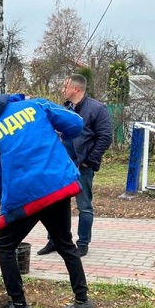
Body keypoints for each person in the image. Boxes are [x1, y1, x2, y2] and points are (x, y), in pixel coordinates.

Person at [0, 86, 96, 308]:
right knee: (65, 242)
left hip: (27, 197)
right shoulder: (35, 105)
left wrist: (6, 214)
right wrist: (58, 134)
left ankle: (18, 306)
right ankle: (83, 301)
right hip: (58, 185)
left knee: (4, 244)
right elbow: (76, 124)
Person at [37, 74, 113, 258]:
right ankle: (55, 240)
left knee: (84, 206)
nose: (63, 89)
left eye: (66, 86)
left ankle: (83, 243)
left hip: (82, 167)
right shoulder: (64, 109)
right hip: (61, 167)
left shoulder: (97, 109)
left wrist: (89, 161)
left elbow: (105, 137)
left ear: (76, 89)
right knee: (55, 205)